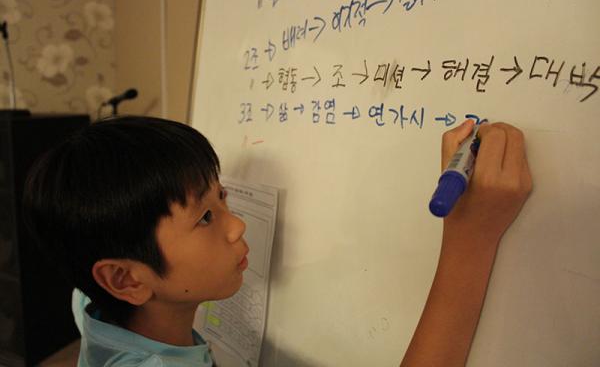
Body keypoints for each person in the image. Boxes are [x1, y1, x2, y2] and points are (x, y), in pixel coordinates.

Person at [22, 116, 531, 367]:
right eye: (205, 217)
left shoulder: (95, 304)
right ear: (125, 279)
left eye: (223, 196)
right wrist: (471, 239)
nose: (237, 225)